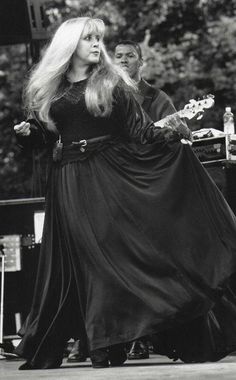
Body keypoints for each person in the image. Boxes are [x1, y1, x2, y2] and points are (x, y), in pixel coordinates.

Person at [14, 16, 236, 370]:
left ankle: (109, 343)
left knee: (106, 257)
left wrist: (171, 136)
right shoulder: (52, 87)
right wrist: (28, 135)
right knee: (80, 261)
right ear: (69, 44)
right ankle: (101, 342)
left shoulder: (112, 83)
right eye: (88, 38)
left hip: (108, 179)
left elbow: (141, 132)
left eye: (98, 38)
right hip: (67, 181)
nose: (96, 44)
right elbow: (48, 136)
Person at [113, 39, 187, 360]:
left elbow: (177, 134)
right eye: (118, 56)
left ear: (141, 62)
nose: (125, 60)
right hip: (115, 185)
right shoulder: (105, 96)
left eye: (131, 56)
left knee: (148, 263)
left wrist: (174, 130)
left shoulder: (157, 98)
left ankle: (147, 336)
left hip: (149, 188)